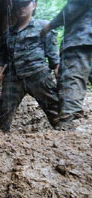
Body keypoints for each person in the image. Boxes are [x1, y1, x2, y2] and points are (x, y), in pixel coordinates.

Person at [0, 0, 60, 132]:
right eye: (18, 5)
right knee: (5, 112)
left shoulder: (43, 26)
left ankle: (67, 135)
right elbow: (2, 55)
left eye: (25, 4)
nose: (21, 8)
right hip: (13, 78)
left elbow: (53, 54)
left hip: (38, 75)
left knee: (55, 109)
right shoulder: (8, 33)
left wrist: (58, 70)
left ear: (34, 5)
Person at [41, 0, 92, 130]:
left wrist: (50, 25)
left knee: (71, 81)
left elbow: (74, 7)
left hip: (81, 40)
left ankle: (66, 130)